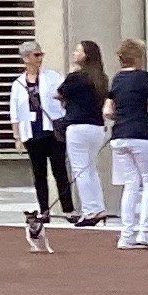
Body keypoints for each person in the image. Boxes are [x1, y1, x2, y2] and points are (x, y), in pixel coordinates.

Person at [106, 37, 148, 248]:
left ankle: (126, 234)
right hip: (140, 134)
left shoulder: (117, 79)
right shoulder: (143, 77)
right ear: (139, 56)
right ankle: (145, 231)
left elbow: (107, 111)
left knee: (130, 184)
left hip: (119, 136)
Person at [55, 38, 110, 225]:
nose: (75, 53)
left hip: (77, 126)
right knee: (91, 168)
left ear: (86, 56)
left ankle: (89, 211)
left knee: (80, 170)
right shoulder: (101, 78)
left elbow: (59, 93)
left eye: (78, 51)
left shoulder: (76, 77)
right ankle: (99, 207)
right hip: (97, 127)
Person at [7, 42, 62, 227]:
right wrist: (17, 137)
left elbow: (63, 100)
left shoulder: (52, 77)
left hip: (51, 130)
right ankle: (44, 209)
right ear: (26, 58)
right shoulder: (18, 84)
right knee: (39, 173)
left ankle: (68, 208)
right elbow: (14, 112)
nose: (40, 59)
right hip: (31, 132)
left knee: (60, 170)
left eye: (41, 55)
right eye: (36, 55)